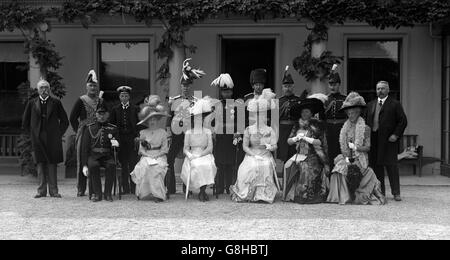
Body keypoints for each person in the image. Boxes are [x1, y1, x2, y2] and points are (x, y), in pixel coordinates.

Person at [327, 92, 387, 205]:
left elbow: (368, 147)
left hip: (360, 158)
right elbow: (344, 148)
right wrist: (346, 157)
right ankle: (338, 197)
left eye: (353, 113)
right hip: (347, 157)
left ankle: (349, 197)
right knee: (337, 170)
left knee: (343, 170)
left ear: (358, 113)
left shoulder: (366, 128)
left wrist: (356, 147)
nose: (350, 116)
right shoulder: (345, 128)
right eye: (348, 114)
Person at [22, 78, 69, 198]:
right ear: (38, 90)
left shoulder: (56, 102)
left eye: (46, 87)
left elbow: (65, 121)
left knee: (52, 164)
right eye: (41, 88)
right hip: (37, 138)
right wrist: (31, 136)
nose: (44, 90)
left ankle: (54, 191)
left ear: (49, 89)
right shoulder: (32, 103)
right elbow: (25, 122)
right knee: (40, 163)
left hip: (52, 138)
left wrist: (58, 133)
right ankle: (41, 191)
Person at [230, 89, 279, 203]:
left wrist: (270, 147)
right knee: (248, 168)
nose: (259, 117)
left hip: (265, 154)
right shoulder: (249, 129)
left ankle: (263, 194)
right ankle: (248, 193)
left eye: (262, 115)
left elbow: (274, 145)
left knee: (265, 166)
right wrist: (253, 155)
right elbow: (245, 147)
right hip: (251, 155)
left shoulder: (269, 129)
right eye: (257, 115)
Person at [283, 94, 329, 204]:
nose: (304, 114)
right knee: (287, 165)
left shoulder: (317, 125)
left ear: (311, 113)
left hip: (313, 156)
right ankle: (289, 194)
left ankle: (305, 195)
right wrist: (295, 138)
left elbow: (320, 142)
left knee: (305, 167)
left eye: (307, 112)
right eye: (303, 112)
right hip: (299, 155)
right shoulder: (297, 125)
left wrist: (307, 139)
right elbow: (288, 141)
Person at [166, 58, 202, 195]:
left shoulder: (196, 102)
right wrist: (169, 132)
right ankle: (170, 188)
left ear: (190, 87)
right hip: (177, 134)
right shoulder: (174, 100)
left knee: (191, 159)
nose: (186, 88)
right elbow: (169, 118)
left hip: (190, 135)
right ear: (181, 86)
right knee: (170, 159)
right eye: (183, 86)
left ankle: (189, 188)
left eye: (188, 86)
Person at [367, 81, 407, 201]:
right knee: (377, 166)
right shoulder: (371, 104)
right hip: (374, 140)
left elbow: (403, 121)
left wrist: (396, 134)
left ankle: (396, 192)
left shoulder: (395, 104)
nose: (380, 91)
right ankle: (380, 192)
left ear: (388, 90)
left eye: (383, 88)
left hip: (389, 140)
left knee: (391, 166)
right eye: (378, 88)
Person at [70, 69, 102, 198]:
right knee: (82, 160)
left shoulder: (100, 101)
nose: (93, 88)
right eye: (90, 85)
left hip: (98, 133)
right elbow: (72, 118)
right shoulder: (81, 100)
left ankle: (95, 188)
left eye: (94, 85)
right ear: (86, 86)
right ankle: (81, 188)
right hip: (84, 133)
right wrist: (78, 129)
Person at [80, 100, 119, 202]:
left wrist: (117, 145)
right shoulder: (89, 128)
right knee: (93, 166)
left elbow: (117, 148)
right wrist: (84, 164)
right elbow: (84, 148)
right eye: (99, 114)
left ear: (108, 115)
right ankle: (97, 194)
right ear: (96, 115)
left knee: (111, 165)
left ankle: (107, 194)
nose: (101, 116)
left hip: (107, 155)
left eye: (104, 114)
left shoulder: (113, 128)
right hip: (93, 155)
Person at [181, 97, 217, 202]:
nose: (198, 120)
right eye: (196, 118)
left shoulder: (207, 131)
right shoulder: (188, 132)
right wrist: (190, 155)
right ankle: (199, 189)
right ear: (193, 120)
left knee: (206, 164)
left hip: (205, 154)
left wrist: (200, 155)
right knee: (196, 165)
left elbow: (210, 148)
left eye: (200, 118)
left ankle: (202, 190)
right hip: (192, 155)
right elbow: (185, 148)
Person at [131, 104, 169, 202]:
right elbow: (141, 150)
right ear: (147, 121)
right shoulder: (143, 133)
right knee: (146, 166)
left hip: (160, 156)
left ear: (157, 120)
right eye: (150, 120)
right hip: (146, 156)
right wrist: (148, 155)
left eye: (154, 119)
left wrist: (157, 155)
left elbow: (165, 149)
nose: (152, 122)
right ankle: (143, 193)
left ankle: (158, 195)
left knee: (156, 167)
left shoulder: (162, 132)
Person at [211, 73, 242, 195]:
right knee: (219, 162)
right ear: (221, 93)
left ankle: (229, 186)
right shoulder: (216, 105)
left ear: (231, 92)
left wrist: (238, 132)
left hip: (231, 137)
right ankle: (219, 186)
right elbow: (212, 121)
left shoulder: (237, 105)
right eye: (224, 92)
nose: (226, 94)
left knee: (230, 162)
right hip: (219, 137)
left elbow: (240, 122)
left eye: (228, 91)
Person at [110, 86, 139, 195]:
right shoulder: (115, 109)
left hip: (132, 138)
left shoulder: (135, 108)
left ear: (129, 97)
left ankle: (133, 187)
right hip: (120, 139)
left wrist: (137, 136)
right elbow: (111, 125)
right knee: (123, 164)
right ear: (119, 97)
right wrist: (113, 138)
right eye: (122, 96)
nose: (124, 97)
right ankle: (125, 188)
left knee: (132, 163)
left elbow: (139, 123)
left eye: (126, 95)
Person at [277, 66, 301, 163]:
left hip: (295, 130)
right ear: (282, 88)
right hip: (282, 131)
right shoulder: (278, 101)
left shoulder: (299, 100)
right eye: (286, 86)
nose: (288, 89)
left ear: (293, 86)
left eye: (290, 86)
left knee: (294, 156)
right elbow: (274, 122)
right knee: (282, 156)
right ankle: (283, 177)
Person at [325, 64, 347, 166]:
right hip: (328, 129)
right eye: (330, 85)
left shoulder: (345, 99)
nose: (332, 87)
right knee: (329, 154)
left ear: (339, 85)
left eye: (335, 84)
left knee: (341, 153)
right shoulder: (325, 99)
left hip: (341, 129)